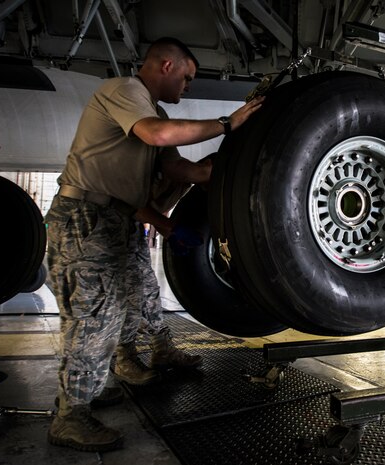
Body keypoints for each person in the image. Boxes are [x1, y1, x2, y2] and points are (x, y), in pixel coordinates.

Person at [44, 36, 264, 452]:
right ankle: (70, 416)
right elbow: (156, 135)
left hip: (116, 219)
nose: (188, 87)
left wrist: (230, 166)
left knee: (137, 295)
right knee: (92, 317)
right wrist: (226, 124)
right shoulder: (124, 91)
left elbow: (179, 168)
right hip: (85, 218)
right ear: (167, 66)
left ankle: (112, 373)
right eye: (187, 77)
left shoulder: (153, 109)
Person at [113, 175, 201, 386]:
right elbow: (131, 202)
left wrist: (170, 233)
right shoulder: (166, 166)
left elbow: (149, 209)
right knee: (126, 298)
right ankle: (123, 358)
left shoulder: (173, 177)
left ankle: (163, 350)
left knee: (148, 290)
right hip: (108, 226)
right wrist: (171, 228)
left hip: (130, 228)